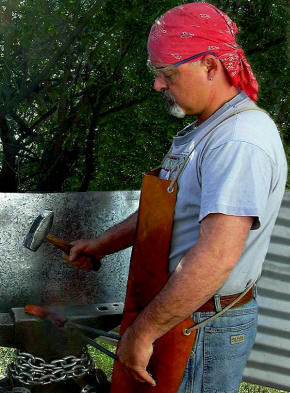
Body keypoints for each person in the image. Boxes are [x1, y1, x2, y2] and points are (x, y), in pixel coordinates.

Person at [63, 3, 287, 392]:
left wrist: (142, 333)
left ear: (211, 66)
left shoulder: (238, 140)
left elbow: (216, 255)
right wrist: (102, 244)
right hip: (177, 313)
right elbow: (167, 211)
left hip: (201, 325)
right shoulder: (206, 131)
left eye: (168, 74)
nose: (158, 85)